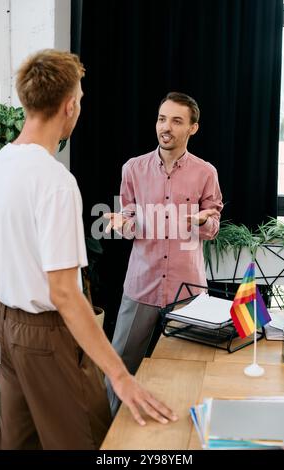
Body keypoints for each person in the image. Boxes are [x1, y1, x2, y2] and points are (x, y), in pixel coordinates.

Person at [0, 50, 177, 451]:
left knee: (17, 441)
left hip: (7, 328)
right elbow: (63, 292)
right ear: (69, 105)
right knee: (88, 438)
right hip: (47, 334)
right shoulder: (55, 181)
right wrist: (120, 376)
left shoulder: (0, 164)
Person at [104, 92, 223, 415]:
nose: (165, 127)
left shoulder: (205, 173)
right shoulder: (133, 169)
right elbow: (128, 220)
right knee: (119, 367)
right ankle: (111, 434)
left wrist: (202, 221)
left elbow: (213, 223)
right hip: (141, 286)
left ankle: (184, 433)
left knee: (190, 369)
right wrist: (121, 223)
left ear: (193, 128)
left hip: (188, 291)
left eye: (176, 120)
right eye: (161, 118)